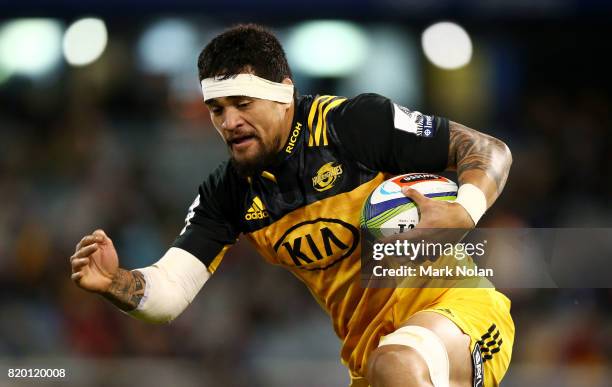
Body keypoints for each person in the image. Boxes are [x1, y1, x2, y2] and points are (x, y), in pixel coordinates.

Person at [70, 24, 514, 387]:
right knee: (389, 365)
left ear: (284, 93)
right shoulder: (228, 193)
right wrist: (116, 282)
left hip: (462, 314)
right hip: (370, 360)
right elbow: (168, 292)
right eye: (216, 109)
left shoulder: (353, 126)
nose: (229, 122)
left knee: (397, 364)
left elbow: (488, 149)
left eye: (242, 103)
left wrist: (464, 209)